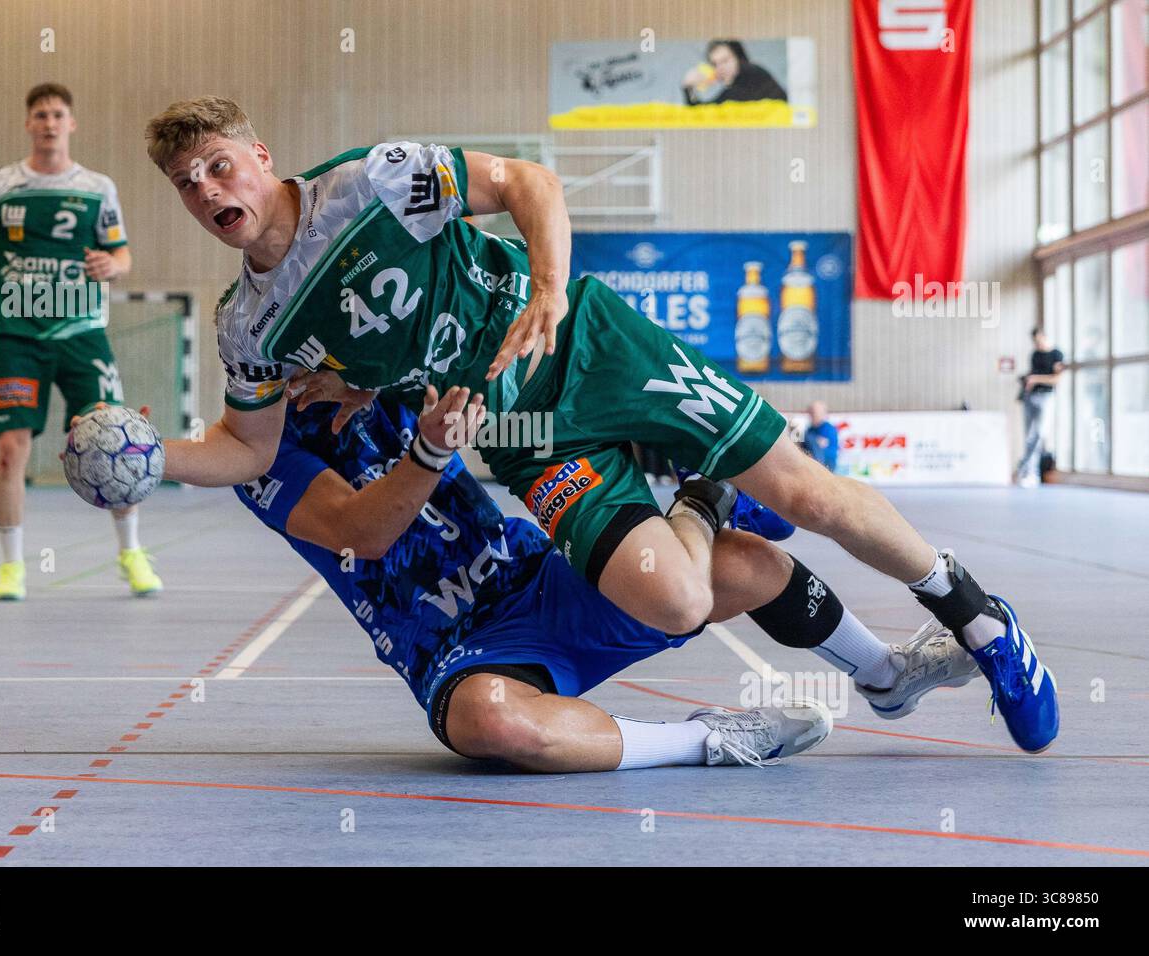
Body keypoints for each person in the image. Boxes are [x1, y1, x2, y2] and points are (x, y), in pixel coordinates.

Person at [141, 96, 1058, 753]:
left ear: (259, 154)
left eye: (219, 163)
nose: (209, 187)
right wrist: (149, 455)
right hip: (519, 429)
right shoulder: (250, 326)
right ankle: (699, 496)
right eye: (188, 184)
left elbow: (527, 182)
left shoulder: (371, 184)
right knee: (672, 597)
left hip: (587, 341)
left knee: (805, 492)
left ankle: (977, 620)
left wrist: (544, 290)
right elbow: (247, 447)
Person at [219, 369, 981, 772]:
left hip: (534, 579)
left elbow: (497, 390)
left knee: (746, 566)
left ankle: (887, 675)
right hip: (461, 650)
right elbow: (367, 531)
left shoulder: (379, 374)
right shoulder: (262, 454)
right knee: (492, 722)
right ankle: (710, 739)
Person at [0, 82, 161, 601]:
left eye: (58, 114)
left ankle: (131, 553)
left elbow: (122, 256)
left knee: (116, 440)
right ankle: (11, 566)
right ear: (29, 123)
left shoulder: (98, 187)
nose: (50, 122)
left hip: (83, 335)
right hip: (19, 335)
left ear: (71, 123)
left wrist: (113, 266)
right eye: (40, 114)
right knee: (12, 450)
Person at [1016, 328, 1064, 488]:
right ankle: (1028, 472)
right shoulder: (1035, 355)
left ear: (1044, 337)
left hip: (1046, 397)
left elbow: (1056, 379)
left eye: (1038, 341)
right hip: (1031, 397)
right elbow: (1032, 372)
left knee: (1039, 433)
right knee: (1029, 435)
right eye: (1035, 342)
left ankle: (1028, 469)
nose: (1037, 344)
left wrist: (1036, 378)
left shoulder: (1057, 354)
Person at [682, 40, 788, 106]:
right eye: (715, 64)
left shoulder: (751, 72)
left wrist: (689, 88)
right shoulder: (736, 85)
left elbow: (702, 111)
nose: (720, 68)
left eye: (725, 60)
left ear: (738, 58)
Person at [804, 400, 839, 473]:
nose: (812, 415)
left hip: (826, 469)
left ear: (823, 413)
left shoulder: (829, 430)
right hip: (813, 469)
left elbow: (820, 450)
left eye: (815, 413)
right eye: (811, 413)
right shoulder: (809, 430)